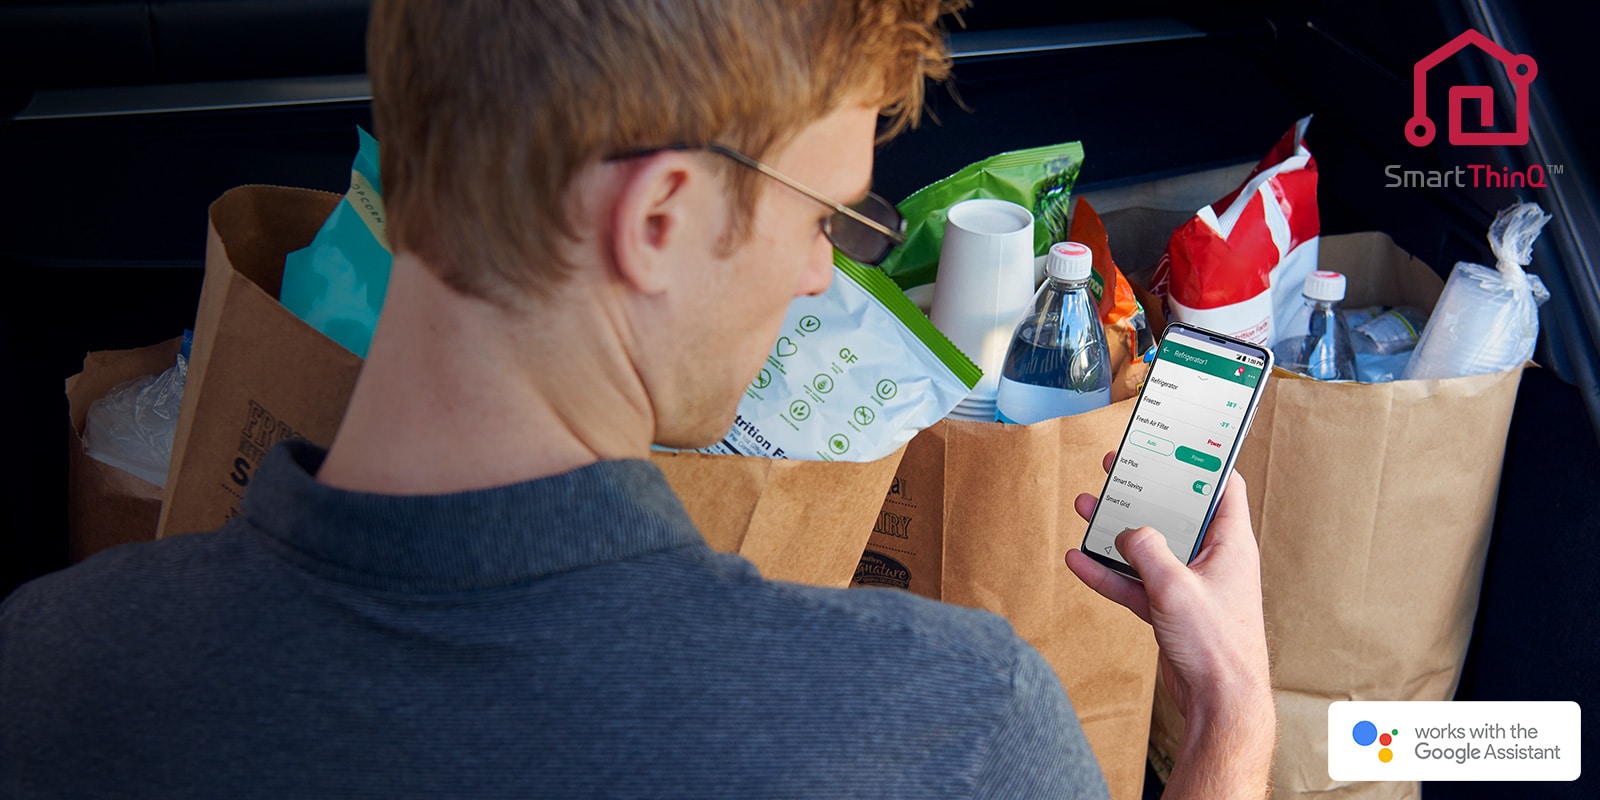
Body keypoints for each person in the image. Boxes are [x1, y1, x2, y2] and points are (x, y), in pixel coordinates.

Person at [0, 1, 1274, 797]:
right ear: (659, 217)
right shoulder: (941, 721)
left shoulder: (47, 669)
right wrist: (1229, 724)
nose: (817, 267)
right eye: (822, 213)